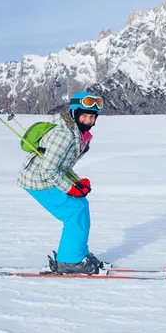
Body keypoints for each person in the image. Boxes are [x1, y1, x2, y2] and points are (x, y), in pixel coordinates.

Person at [17, 91, 105, 274]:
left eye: (91, 117)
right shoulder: (64, 135)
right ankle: (69, 261)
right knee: (75, 211)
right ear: (74, 114)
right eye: (84, 116)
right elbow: (48, 170)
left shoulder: (77, 134)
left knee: (81, 205)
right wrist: (70, 189)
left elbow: (61, 165)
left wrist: (77, 183)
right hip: (38, 180)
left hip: (46, 176)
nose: (88, 120)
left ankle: (78, 254)